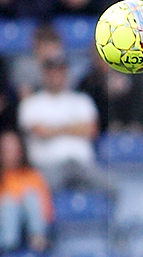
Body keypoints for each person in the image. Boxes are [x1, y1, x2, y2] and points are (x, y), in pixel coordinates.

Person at [18, 53, 101, 189]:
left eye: (60, 71)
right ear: (44, 74)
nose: (56, 76)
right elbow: (41, 132)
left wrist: (54, 128)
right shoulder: (31, 103)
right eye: (52, 72)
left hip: (81, 163)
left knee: (114, 188)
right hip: (47, 165)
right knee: (37, 189)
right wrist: (74, 128)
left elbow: (91, 130)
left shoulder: (82, 100)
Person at [0, 128, 52, 256]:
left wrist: (20, 209)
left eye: (14, 149)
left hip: (26, 231)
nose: (10, 153)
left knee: (30, 196)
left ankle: (37, 239)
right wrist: (3, 206)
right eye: (6, 149)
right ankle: (8, 250)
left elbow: (46, 213)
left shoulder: (33, 176)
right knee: (8, 203)